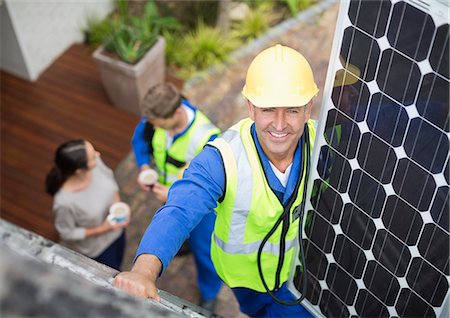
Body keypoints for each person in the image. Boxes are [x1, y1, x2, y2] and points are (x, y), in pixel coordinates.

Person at [114, 44, 318, 317]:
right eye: (268, 109)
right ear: (251, 109)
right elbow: (179, 211)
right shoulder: (222, 158)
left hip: (299, 278)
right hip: (247, 281)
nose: (279, 124)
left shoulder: (325, 144)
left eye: (292, 110)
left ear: (308, 109)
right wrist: (143, 271)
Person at [131, 83, 223, 310]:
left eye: (158, 124)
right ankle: (185, 242)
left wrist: (172, 194)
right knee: (179, 231)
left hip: (202, 210)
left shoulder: (207, 137)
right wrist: (143, 166)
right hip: (168, 194)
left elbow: (209, 184)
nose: (153, 126)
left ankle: (209, 293)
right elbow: (140, 140)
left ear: (177, 112)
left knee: (207, 253)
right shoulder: (155, 118)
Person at [45, 139, 129, 271]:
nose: (98, 154)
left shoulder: (95, 165)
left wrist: (118, 206)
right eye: (93, 156)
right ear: (79, 171)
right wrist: (104, 228)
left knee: (120, 261)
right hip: (97, 250)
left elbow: (109, 178)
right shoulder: (64, 202)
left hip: (117, 231)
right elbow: (67, 234)